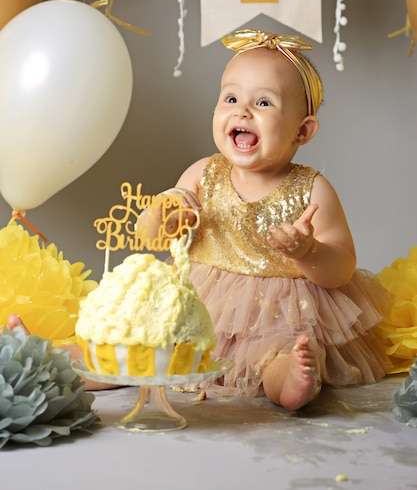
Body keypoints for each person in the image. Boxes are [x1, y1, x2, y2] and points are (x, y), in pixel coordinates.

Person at [138, 29, 390, 411]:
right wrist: (165, 214)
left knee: (278, 352)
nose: (242, 111)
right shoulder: (202, 173)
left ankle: (289, 382)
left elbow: (341, 268)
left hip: (282, 310)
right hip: (201, 302)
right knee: (145, 341)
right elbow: (152, 235)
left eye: (264, 103)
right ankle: (76, 366)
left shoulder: (312, 190)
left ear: (302, 131)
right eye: (231, 98)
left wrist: (308, 251)